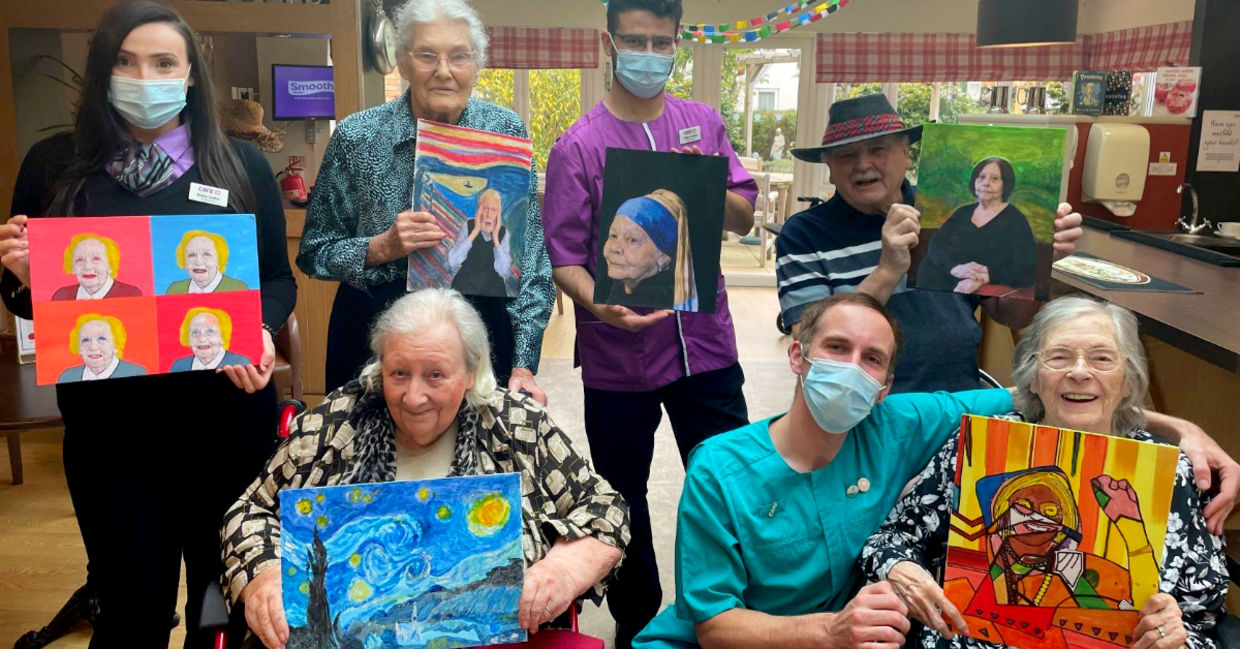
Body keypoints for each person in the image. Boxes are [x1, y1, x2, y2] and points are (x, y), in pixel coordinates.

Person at [632, 293, 1237, 649]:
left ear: (887, 385)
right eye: (835, 349)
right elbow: (713, 626)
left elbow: (1067, 396)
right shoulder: (723, 467)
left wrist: (1175, 427)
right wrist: (874, 590)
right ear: (797, 355)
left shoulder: (1169, 477)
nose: (1080, 372)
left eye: (872, 360)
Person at [0, 2, 296, 646]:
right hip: (113, 436)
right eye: (125, 61)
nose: (145, 76)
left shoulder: (241, 167)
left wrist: (264, 330)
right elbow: (26, 305)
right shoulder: (54, 167)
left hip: (226, 425)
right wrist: (25, 277)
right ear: (103, 72)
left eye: (164, 62)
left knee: (221, 605)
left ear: (191, 75)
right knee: (131, 606)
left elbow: (277, 277)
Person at [221, 288, 630, 649]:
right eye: (399, 373)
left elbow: (604, 510)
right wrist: (265, 576)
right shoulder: (337, 424)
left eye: (435, 375)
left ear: (472, 372)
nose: (414, 397)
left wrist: (561, 569)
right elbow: (250, 510)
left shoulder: (515, 424)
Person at [541, 1, 757, 645]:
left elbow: (744, 213)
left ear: (677, 44)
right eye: (634, 40)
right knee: (621, 497)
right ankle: (638, 624)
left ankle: (729, 613)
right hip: (618, 354)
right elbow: (565, 258)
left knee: (728, 484)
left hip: (707, 347)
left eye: (661, 43)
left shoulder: (705, 123)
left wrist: (696, 185)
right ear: (609, 43)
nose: (648, 54)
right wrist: (598, 304)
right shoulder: (577, 145)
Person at [861, 295, 1227, 649]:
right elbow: (890, 540)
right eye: (1059, 357)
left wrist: (1175, 642)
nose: (1079, 372)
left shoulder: (1175, 475)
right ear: (1032, 377)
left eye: (1102, 359)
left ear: (1128, 380)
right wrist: (902, 572)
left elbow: (1202, 618)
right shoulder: (979, 447)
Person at [297, 0, 552, 401]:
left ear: (477, 65)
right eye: (427, 55)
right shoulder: (356, 137)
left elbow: (532, 260)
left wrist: (524, 362)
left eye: (459, 56)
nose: (444, 71)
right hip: (376, 332)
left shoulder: (505, 132)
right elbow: (314, 252)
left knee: (475, 459)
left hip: (479, 328)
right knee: (374, 458)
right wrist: (380, 247)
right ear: (402, 61)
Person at [778, 94, 1082, 393]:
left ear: (906, 155)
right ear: (829, 168)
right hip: (857, 411)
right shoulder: (805, 234)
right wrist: (886, 271)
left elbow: (1012, 316)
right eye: (846, 155)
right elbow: (808, 341)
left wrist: (1038, 264)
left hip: (955, 404)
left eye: (878, 149)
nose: (863, 164)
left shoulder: (946, 212)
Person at [916, 157, 1038, 295]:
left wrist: (985, 277)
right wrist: (954, 267)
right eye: (981, 177)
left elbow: (1026, 268)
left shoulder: (1015, 220)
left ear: (1005, 185)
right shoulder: (963, 212)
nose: (986, 183)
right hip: (932, 284)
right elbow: (936, 244)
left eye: (995, 179)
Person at [603, 189, 697, 311]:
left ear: (663, 257)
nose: (615, 247)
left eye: (632, 240)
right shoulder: (618, 291)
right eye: (613, 236)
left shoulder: (661, 303)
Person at [448, 188, 512, 297]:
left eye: (493, 210)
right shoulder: (468, 226)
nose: (488, 215)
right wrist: (474, 232)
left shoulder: (503, 233)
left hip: (493, 292)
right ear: (478, 210)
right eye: (485, 208)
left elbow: (504, 271)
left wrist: (496, 239)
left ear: (498, 213)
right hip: (465, 287)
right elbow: (452, 262)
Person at [58, 314, 148, 382]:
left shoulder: (136, 373)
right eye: (85, 340)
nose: (93, 347)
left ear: (116, 345)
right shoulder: (67, 377)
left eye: (102, 339)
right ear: (79, 347)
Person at [51, 233, 144, 300]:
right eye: (79, 260)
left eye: (96, 259)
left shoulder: (130, 295)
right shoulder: (61, 296)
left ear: (110, 265)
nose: (87, 267)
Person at [166, 230, 250, 293]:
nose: (198, 262)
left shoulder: (238, 288)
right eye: (191, 255)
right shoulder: (174, 289)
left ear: (219, 259)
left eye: (206, 254)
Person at [169, 308, 252, 371]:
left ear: (222, 336)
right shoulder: (179, 366)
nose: (201, 339)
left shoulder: (240, 363)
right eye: (195, 332)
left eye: (210, 331)